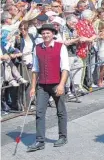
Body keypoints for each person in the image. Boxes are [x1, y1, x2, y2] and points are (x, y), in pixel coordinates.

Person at [27, 24, 70, 152]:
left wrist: (62, 84)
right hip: (42, 85)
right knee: (39, 112)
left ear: (53, 34)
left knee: (60, 111)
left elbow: (65, 68)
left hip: (56, 83)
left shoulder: (60, 46)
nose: (45, 35)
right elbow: (35, 69)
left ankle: (63, 136)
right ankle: (40, 140)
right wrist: (33, 87)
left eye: (48, 33)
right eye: (43, 33)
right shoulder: (37, 48)